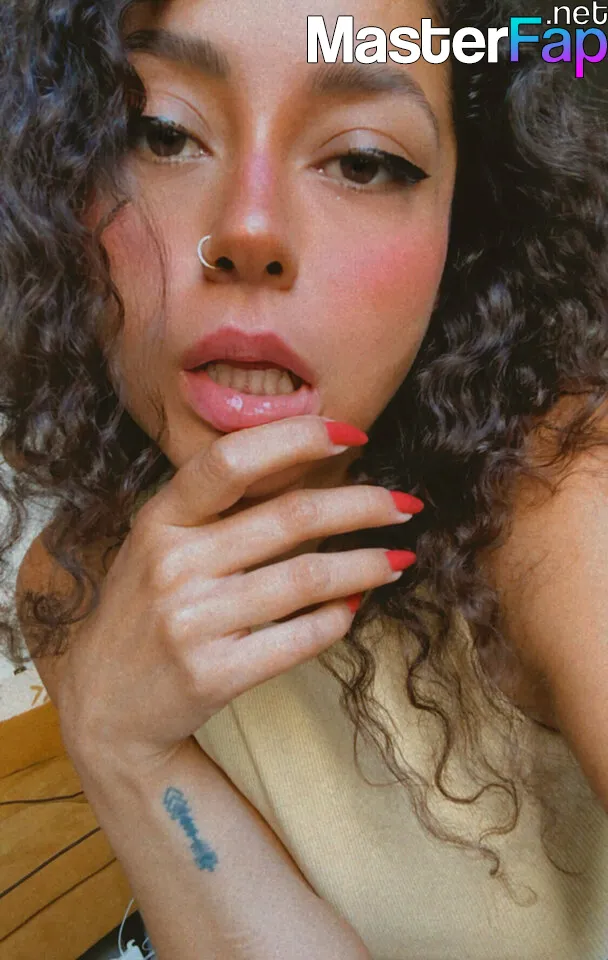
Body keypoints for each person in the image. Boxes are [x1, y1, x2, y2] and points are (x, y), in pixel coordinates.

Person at [1, 0, 607, 956]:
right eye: (162, 134)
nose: (247, 230)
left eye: (363, 161)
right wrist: (124, 751)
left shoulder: (564, 499)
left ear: (471, 227)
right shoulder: (73, 585)